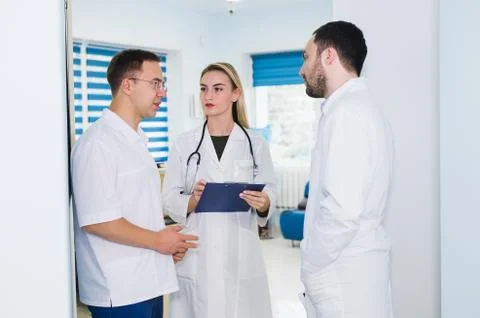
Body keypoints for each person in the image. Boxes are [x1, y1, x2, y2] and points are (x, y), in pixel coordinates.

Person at [71, 49, 198, 318]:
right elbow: (97, 220)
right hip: (118, 290)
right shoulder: (98, 143)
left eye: (162, 84)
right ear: (127, 85)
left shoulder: (135, 142)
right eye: (155, 83)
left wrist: (165, 240)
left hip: (147, 283)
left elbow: (134, 210)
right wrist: (157, 240)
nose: (161, 92)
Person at [162, 62, 276, 318]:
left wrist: (264, 202)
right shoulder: (184, 144)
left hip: (241, 249)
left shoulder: (255, 144)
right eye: (203, 89)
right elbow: (168, 197)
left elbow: (271, 189)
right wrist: (191, 201)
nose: (208, 96)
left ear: (235, 94)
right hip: (197, 251)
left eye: (217, 89)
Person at [299, 21, 395, 318]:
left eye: (306, 57)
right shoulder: (355, 109)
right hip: (353, 271)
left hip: (343, 274)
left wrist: (311, 263)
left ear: (328, 57)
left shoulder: (348, 114)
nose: (302, 69)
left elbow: (342, 210)